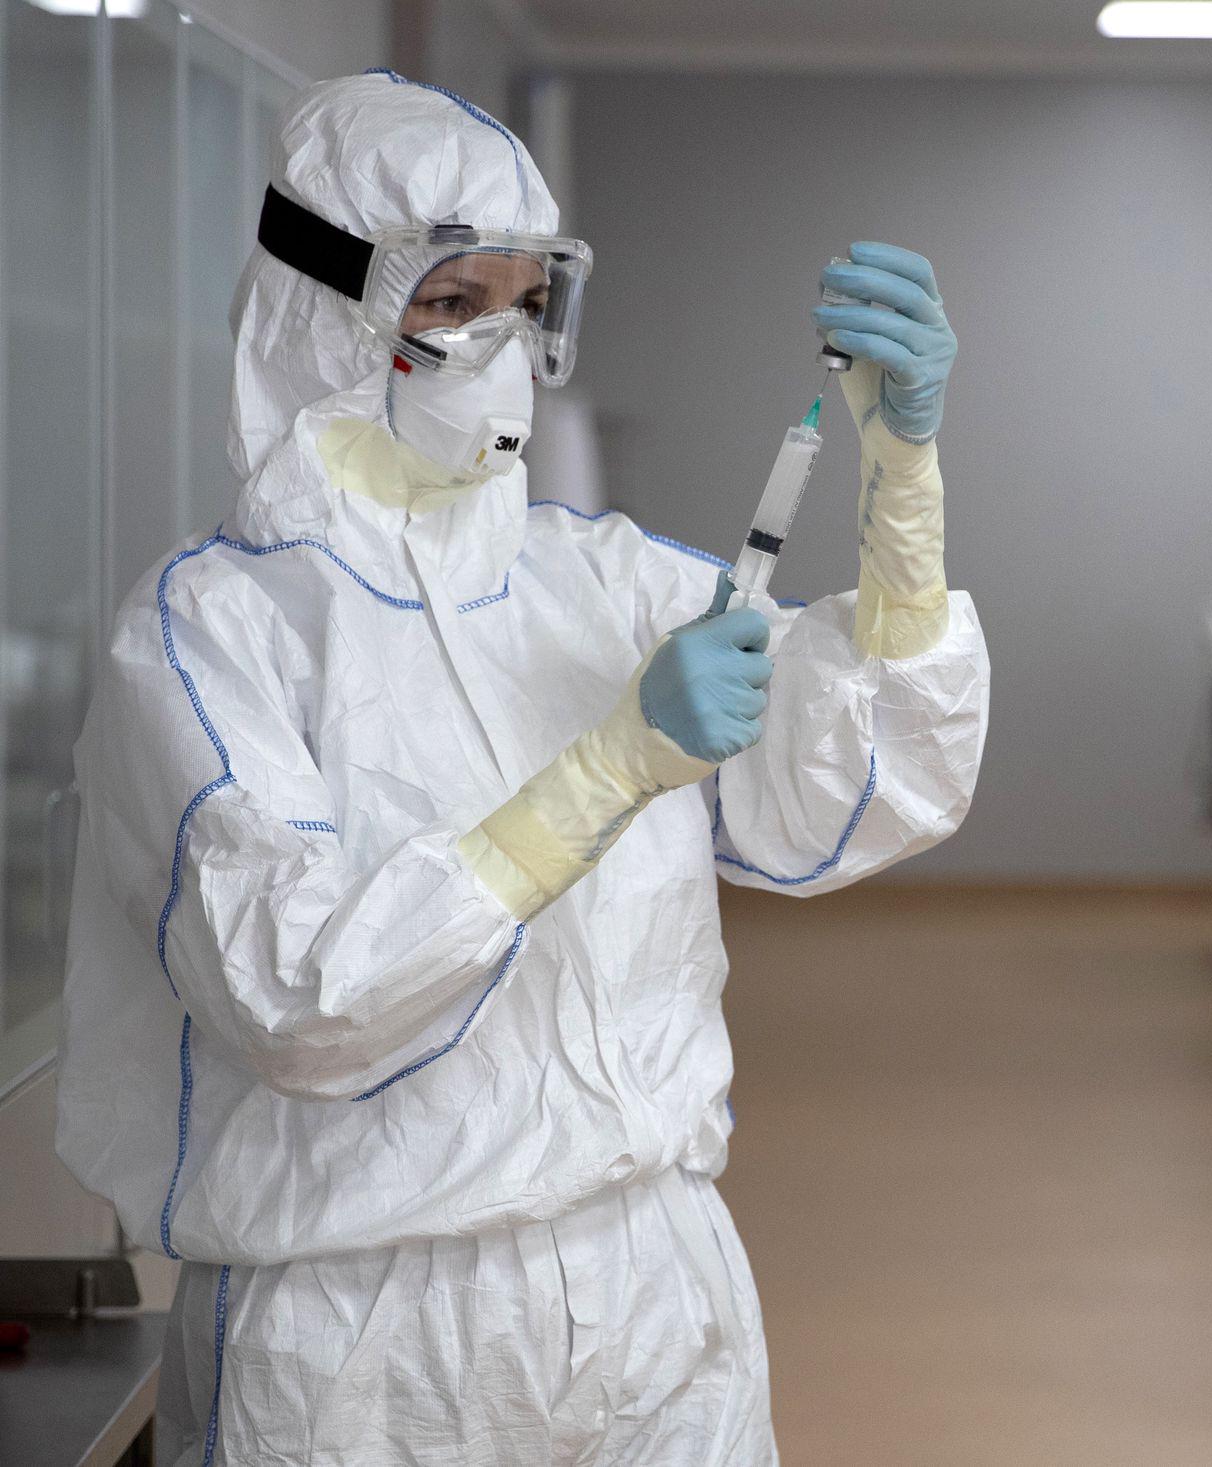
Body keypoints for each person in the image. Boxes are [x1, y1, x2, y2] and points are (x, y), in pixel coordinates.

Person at [54, 70, 988, 1466]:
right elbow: (298, 1001)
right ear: (330, 311)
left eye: (525, 299)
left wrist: (902, 475)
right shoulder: (213, 631)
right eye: (451, 301)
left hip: (656, 1298)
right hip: (366, 1342)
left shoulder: (601, 583)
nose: (498, 342)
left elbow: (865, 785)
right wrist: (610, 767)